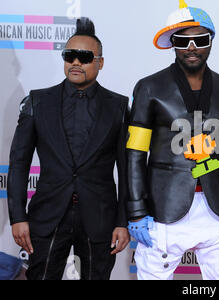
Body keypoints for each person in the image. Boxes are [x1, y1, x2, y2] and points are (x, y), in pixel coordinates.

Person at [126, 0, 219, 280]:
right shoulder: (149, 87)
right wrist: (136, 209)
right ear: (173, 43)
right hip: (163, 208)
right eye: (184, 41)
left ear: (211, 41)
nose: (192, 47)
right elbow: (135, 153)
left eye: (200, 39)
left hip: (216, 207)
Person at [7, 18, 130, 280]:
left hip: (99, 219)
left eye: (84, 57)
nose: (75, 62)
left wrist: (122, 222)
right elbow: (19, 164)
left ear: (100, 62)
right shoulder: (37, 101)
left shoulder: (118, 107)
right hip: (48, 214)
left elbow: (128, 170)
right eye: (69, 55)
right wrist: (17, 216)